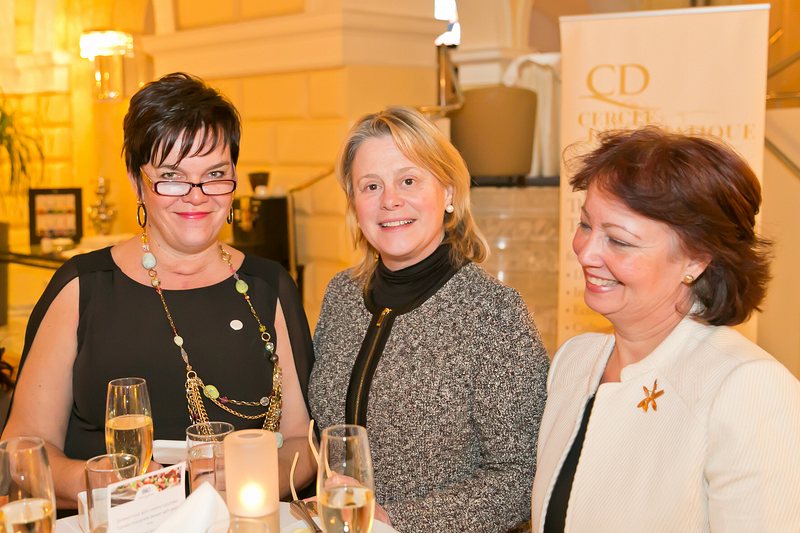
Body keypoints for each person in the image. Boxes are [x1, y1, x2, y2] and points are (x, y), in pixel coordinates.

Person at [1, 73, 316, 508]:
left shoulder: (268, 286)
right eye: (172, 177)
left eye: (215, 175)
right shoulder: (81, 287)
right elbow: (19, 449)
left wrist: (255, 478)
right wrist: (95, 481)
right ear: (137, 182)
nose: (196, 196)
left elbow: (302, 441)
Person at [531, 127, 800, 532]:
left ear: (696, 259)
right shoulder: (575, 360)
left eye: (619, 241)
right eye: (585, 225)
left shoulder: (747, 386)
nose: (586, 253)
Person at [309, 106, 550, 532]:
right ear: (355, 204)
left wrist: (396, 520)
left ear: (449, 192)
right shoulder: (341, 296)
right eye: (371, 186)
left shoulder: (492, 313)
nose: (390, 200)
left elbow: (520, 477)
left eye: (408, 180)